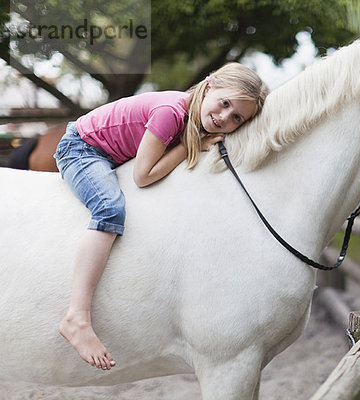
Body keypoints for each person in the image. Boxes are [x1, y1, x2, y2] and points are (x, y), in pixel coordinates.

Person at [54, 63, 269, 371]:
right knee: (109, 208)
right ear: (209, 86)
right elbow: (143, 176)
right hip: (82, 148)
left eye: (237, 117)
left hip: (110, 154)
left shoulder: (195, 119)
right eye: (224, 103)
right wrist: (187, 148)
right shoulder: (172, 112)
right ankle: (76, 316)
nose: (224, 117)